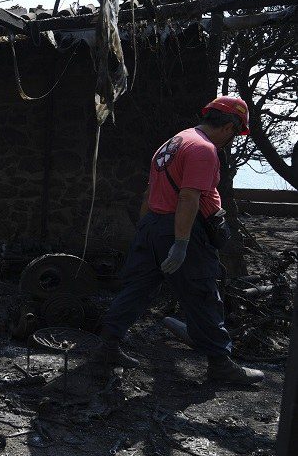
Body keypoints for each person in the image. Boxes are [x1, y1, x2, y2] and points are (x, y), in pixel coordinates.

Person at [91, 96, 264, 385]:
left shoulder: (172, 143)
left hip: (153, 225)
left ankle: (107, 347)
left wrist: (145, 234)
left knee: (137, 289)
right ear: (230, 125)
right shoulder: (203, 149)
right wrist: (181, 242)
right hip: (181, 228)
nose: (231, 139)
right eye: (235, 132)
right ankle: (220, 365)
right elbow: (188, 197)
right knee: (202, 293)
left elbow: (149, 194)